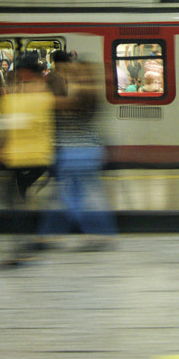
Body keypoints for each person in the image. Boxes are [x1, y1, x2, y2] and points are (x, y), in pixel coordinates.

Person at [36, 57, 117, 251]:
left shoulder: (86, 94)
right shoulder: (79, 91)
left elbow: (60, 104)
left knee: (70, 197)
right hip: (75, 152)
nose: (70, 74)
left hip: (80, 152)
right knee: (72, 196)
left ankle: (99, 233)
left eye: (76, 72)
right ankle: (99, 234)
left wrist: (37, 96)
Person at [0, 53, 55, 264]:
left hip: (18, 158)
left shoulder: (13, 100)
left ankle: (24, 248)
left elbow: (9, 127)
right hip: (41, 157)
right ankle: (37, 240)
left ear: (24, 72)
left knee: (15, 203)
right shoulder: (46, 97)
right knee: (22, 200)